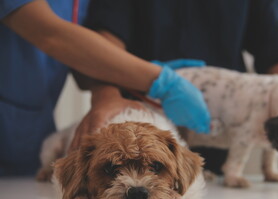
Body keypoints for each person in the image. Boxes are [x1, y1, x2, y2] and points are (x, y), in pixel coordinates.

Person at [83, 0, 278, 173]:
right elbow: (100, 42)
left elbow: (276, 56)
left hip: (216, 146)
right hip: (139, 129)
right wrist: (105, 98)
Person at [0, 0, 210, 176]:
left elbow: (82, 65)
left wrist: (108, 92)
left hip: (26, 139)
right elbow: (50, 35)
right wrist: (161, 80)